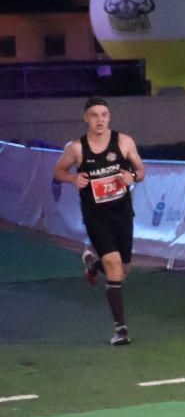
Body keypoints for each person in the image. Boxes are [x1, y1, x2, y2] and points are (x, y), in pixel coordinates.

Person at [53, 97, 145, 345]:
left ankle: (93, 265)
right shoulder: (77, 148)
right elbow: (58, 171)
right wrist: (73, 179)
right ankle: (121, 330)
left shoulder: (124, 142)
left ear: (109, 117)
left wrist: (132, 176)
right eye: (94, 115)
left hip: (122, 213)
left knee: (122, 270)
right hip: (96, 216)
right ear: (86, 118)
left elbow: (141, 171)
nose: (100, 119)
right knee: (113, 265)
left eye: (104, 114)